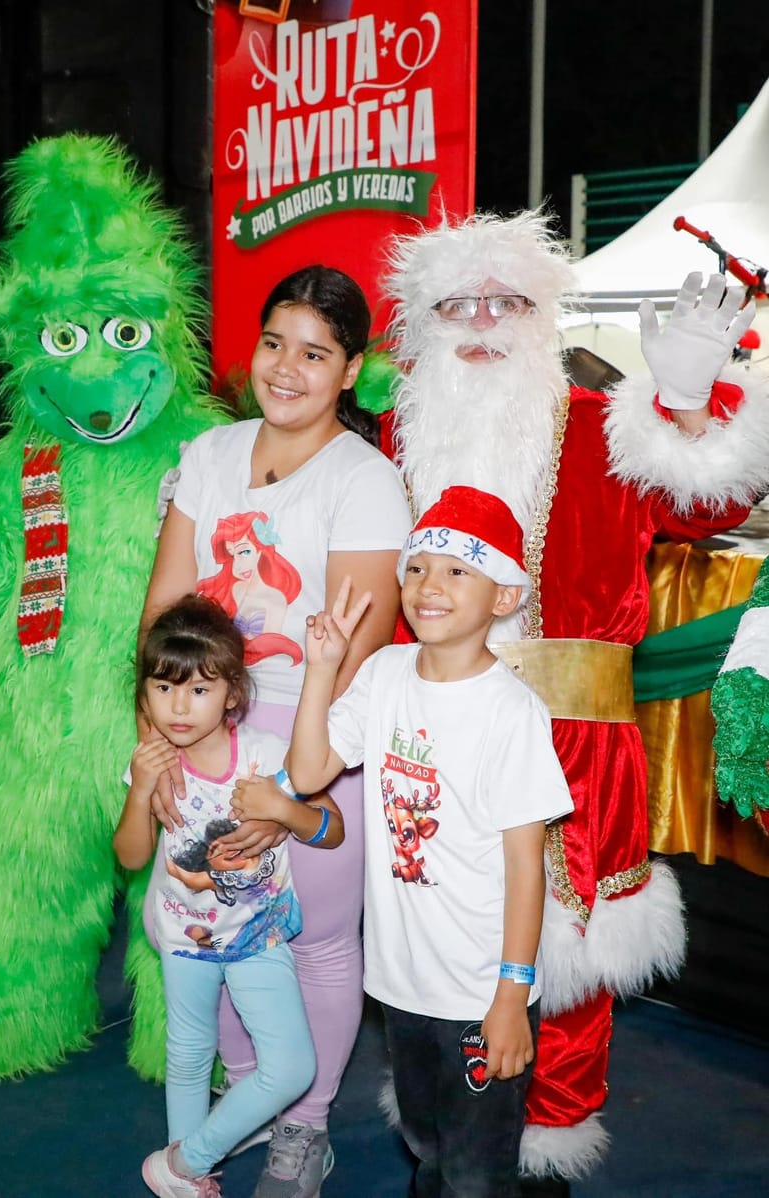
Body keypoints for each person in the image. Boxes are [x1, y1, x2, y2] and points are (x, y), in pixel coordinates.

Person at [384, 209, 769, 1192]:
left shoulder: (600, 428)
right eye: (454, 304)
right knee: (431, 936)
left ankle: (545, 1143)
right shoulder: (400, 431)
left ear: (540, 314)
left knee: (572, 959)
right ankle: (441, 1126)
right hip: (427, 730)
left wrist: (681, 404)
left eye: (503, 302)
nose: (477, 323)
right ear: (422, 321)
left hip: (572, 743)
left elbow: (707, 503)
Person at [142, 265, 413, 1196]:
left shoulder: (368, 480)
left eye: (314, 353)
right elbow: (165, 618)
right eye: (273, 344)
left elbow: (357, 651)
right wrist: (162, 740)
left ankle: (303, 1127)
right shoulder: (209, 455)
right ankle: (245, 1104)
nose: (286, 369)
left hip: (314, 748)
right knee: (216, 929)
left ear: (351, 370)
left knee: (317, 941)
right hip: (204, 736)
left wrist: (290, 793)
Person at [287, 489, 574, 1197]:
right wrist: (322, 668)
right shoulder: (385, 673)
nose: (428, 588)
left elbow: (524, 866)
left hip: (480, 988)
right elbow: (307, 772)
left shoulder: (511, 714)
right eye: (417, 569)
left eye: (455, 572)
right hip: (400, 981)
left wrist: (513, 994)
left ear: (503, 594)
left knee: (477, 1170)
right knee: (425, 1140)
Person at [115, 594, 345, 1198]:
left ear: (233, 694)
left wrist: (285, 809)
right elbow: (131, 857)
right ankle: (191, 1181)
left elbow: (330, 828)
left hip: (255, 936)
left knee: (292, 1065)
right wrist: (139, 791)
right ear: (143, 694)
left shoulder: (265, 758)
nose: (179, 707)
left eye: (198, 689)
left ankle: (186, 1160)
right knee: (188, 1058)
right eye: (163, 689)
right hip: (183, 936)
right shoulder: (154, 764)